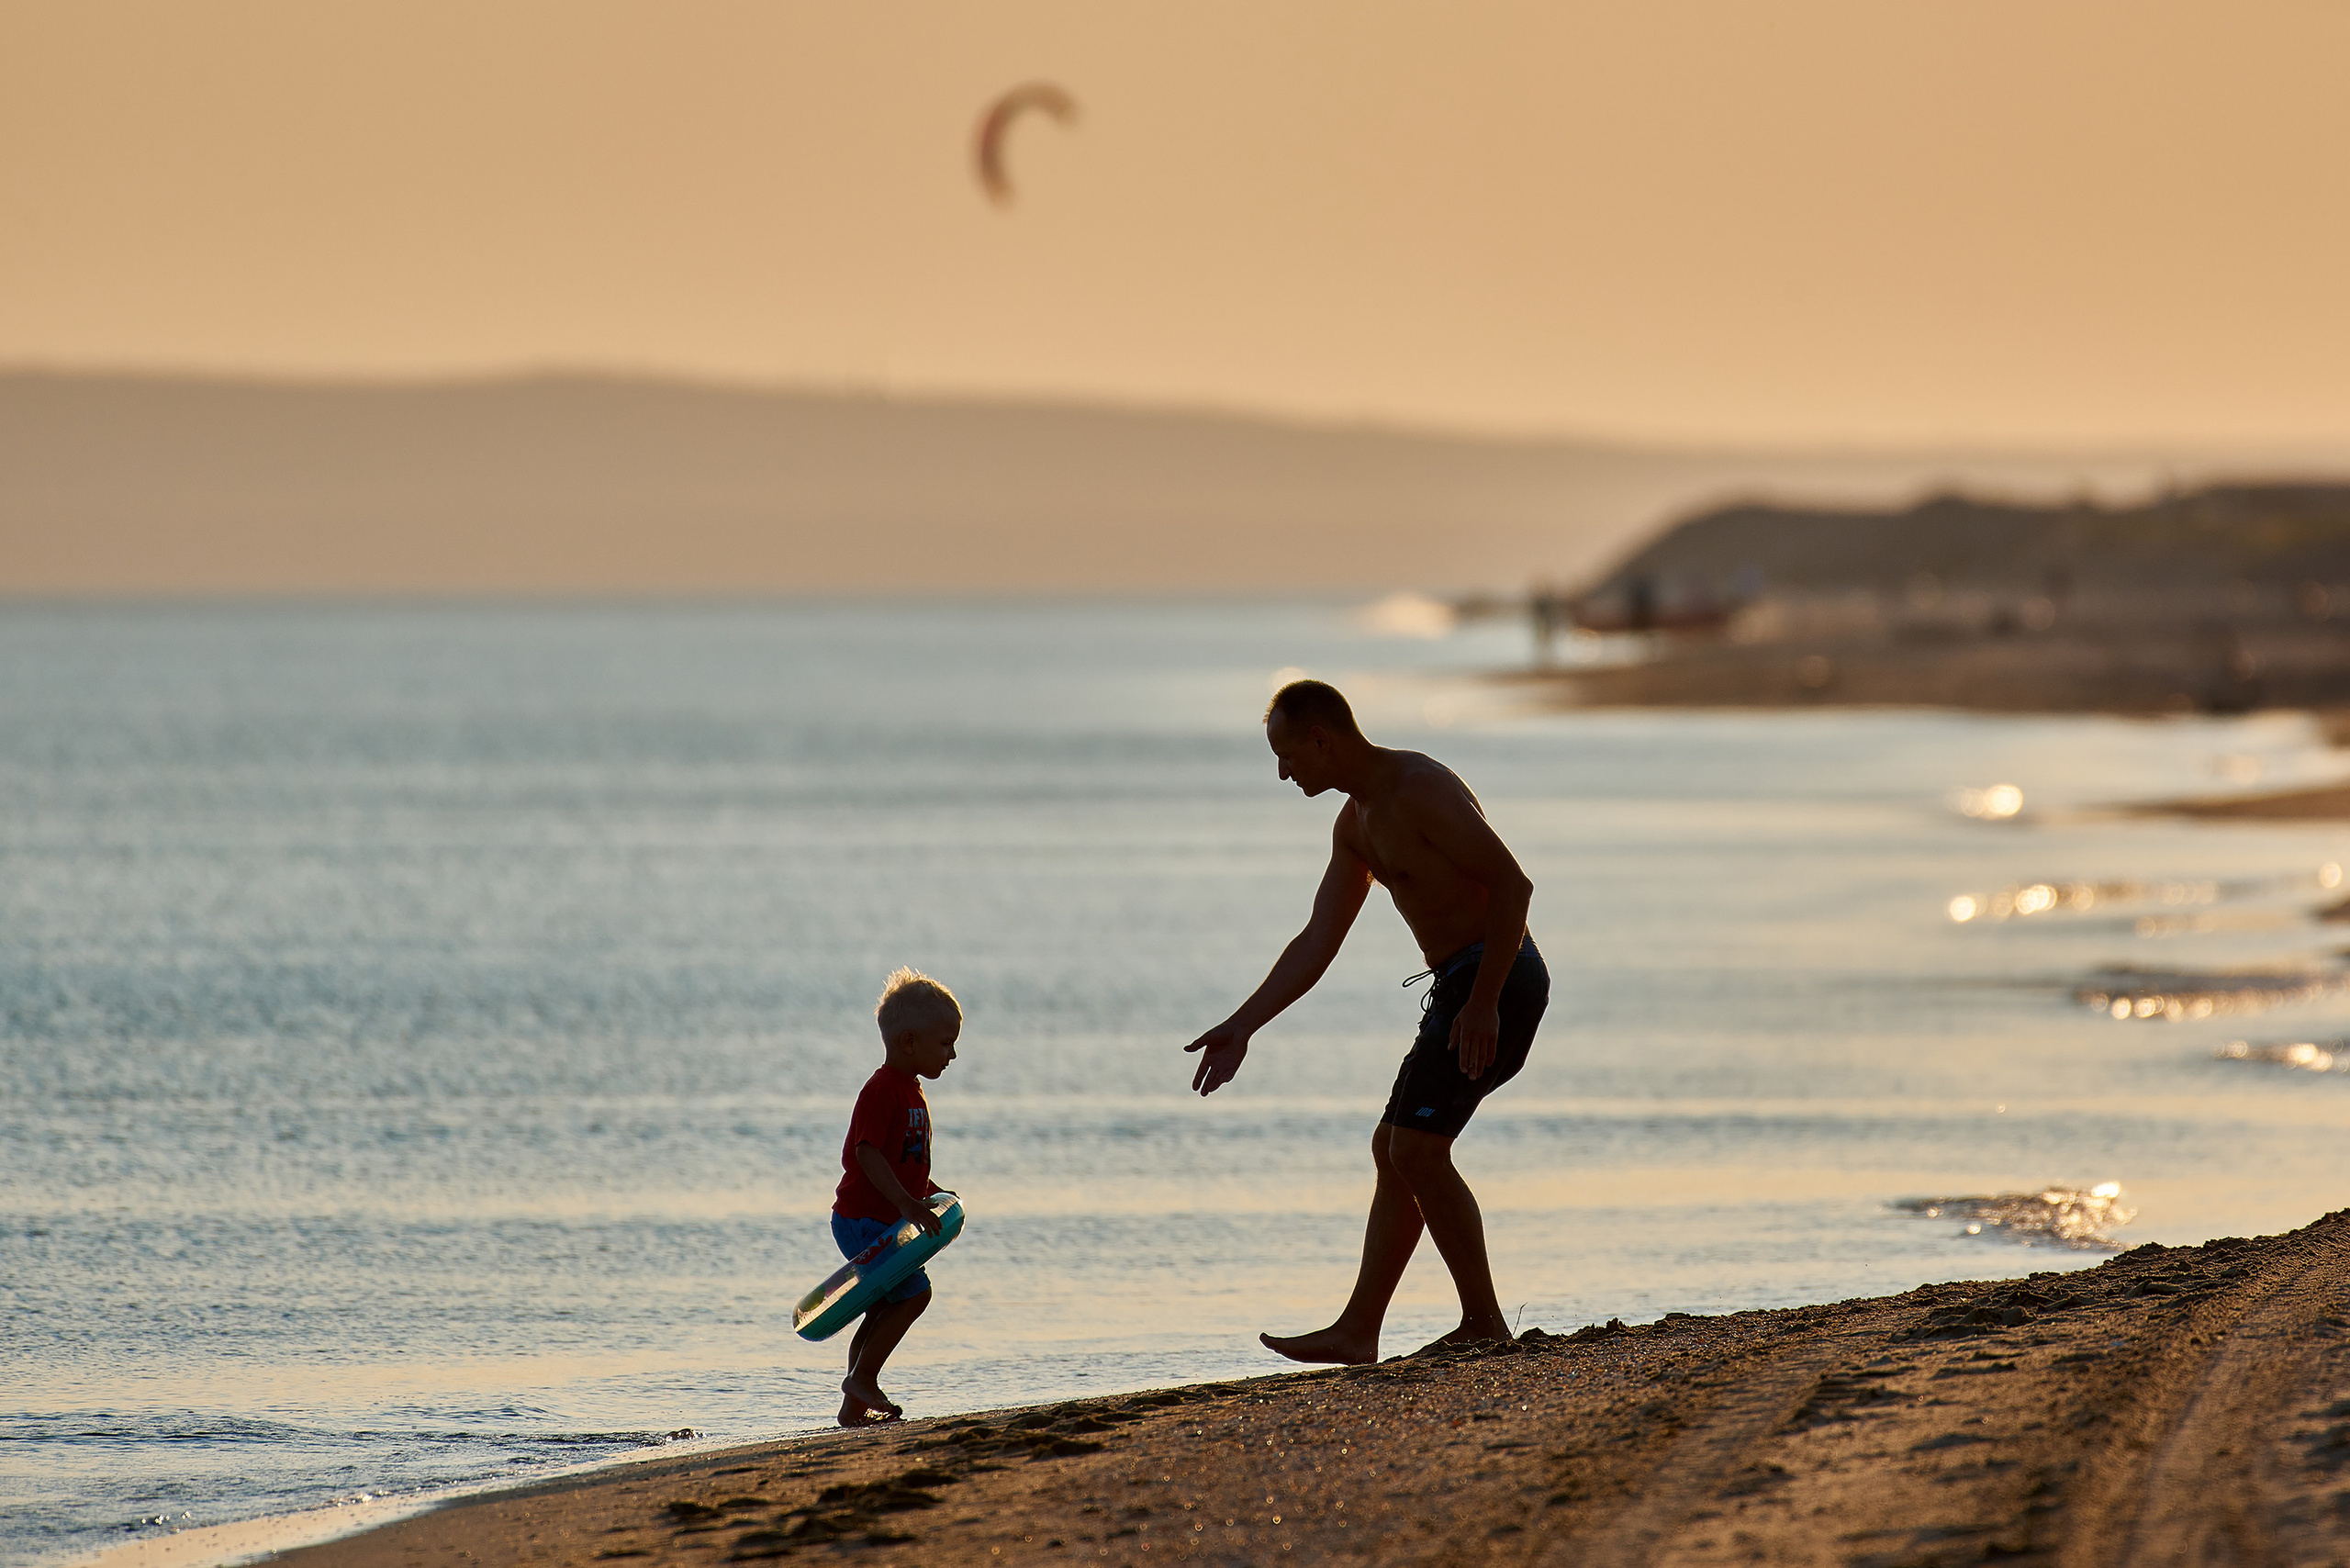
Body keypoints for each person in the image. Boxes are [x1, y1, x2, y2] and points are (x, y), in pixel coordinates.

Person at [1187, 680, 1548, 1363]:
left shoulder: (1418, 788)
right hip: (1460, 983)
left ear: (1321, 739)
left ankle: (1483, 1322)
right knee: (1394, 1148)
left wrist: (1483, 1003)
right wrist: (1242, 1026)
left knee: (1416, 1150)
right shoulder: (1354, 826)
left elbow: (1513, 885)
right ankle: (1359, 1331)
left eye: (1287, 755)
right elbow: (1317, 941)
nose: (1282, 773)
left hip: (1496, 977)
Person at [830, 967, 960, 1425]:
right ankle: (862, 1380)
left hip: (883, 1216)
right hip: (863, 1218)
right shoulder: (882, 1090)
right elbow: (866, 1153)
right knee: (914, 1294)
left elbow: (902, 1159)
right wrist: (906, 1204)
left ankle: (853, 1404)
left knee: (885, 1305)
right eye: (945, 1043)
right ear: (909, 1042)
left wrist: (930, 1192)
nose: (952, 1054)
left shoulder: (911, 1090)